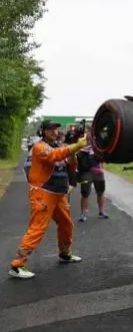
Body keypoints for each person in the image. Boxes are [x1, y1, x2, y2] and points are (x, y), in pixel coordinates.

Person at [8, 120, 89, 280]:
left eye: (56, 128)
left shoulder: (60, 146)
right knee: (38, 228)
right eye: (50, 129)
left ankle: (65, 253)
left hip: (59, 194)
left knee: (67, 225)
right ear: (43, 132)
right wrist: (75, 147)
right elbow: (53, 156)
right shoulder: (39, 147)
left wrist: (73, 152)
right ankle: (18, 265)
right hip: (43, 194)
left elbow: (71, 166)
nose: (54, 131)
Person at [77, 145, 108, 221]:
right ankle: (83, 213)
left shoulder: (100, 145)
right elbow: (78, 157)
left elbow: (104, 158)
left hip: (98, 172)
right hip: (86, 172)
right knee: (85, 193)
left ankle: (101, 211)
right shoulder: (83, 144)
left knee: (100, 192)